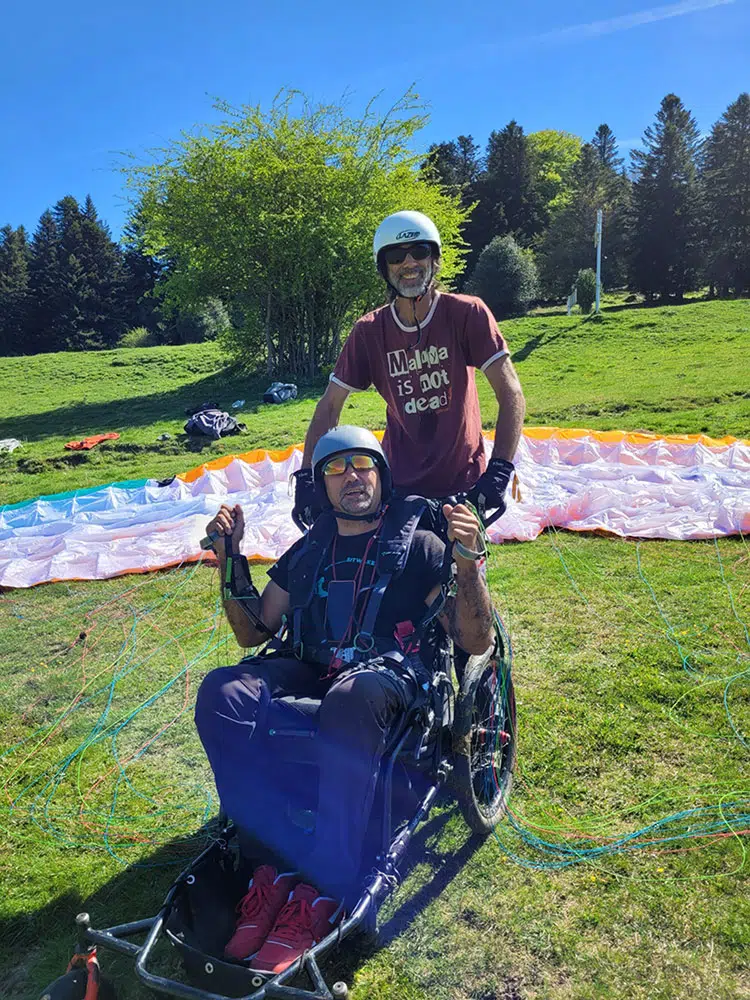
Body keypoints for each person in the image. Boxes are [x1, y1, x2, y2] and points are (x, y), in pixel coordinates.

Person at [194, 426, 493, 975]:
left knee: (350, 698)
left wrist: (468, 561)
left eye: (362, 465)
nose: (351, 477)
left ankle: (327, 886)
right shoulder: (309, 552)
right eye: (336, 468)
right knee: (223, 692)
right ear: (321, 486)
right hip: (314, 671)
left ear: (381, 475)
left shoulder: (422, 548)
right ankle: (268, 867)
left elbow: (476, 641)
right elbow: (252, 631)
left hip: (391, 683)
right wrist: (230, 554)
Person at [292, 210, 526, 529]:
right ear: (383, 267)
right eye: (395, 256)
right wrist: (307, 478)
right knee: (397, 575)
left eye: (419, 251)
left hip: (464, 488)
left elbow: (511, 393)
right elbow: (330, 405)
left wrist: (499, 472)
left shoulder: (467, 313)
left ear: (435, 259)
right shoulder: (369, 331)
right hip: (397, 490)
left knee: (464, 576)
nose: (408, 263)